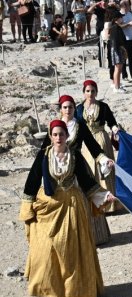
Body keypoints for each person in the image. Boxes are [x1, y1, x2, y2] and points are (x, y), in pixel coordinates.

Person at [19, 119, 115, 297]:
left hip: (72, 205)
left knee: (72, 250)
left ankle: (74, 292)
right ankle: (51, 290)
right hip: (49, 206)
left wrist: (103, 196)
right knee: (46, 248)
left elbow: (87, 182)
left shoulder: (75, 156)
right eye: (54, 135)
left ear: (67, 136)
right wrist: (27, 206)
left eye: (61, 134)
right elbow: (32, 181)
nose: (58, 138)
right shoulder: (43, 156)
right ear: (50, 136)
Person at [40, 95, 115, 244]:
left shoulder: (80, 125)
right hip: (58, 170)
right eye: (65, 107)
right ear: (61, 109)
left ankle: (92, 236)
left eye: (71, 107)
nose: (68, 110)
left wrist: (104, 159)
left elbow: (92, 145)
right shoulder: (55, 127)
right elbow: (44, 150)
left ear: (75, 108)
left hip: (78, 167)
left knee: (85, 198)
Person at [76, 80, 122, 213]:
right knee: (89, 170)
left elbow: (112, 122)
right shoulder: (79, 109)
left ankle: (109, 205)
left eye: (93, 91)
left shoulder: (103, 106)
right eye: (87, 91)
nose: (90, 94)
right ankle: (94, 204)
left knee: (105, 170)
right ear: (84, 93)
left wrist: (115, 129)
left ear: (97, 92)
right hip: (86, 142)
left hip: (101, 138)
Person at [107, 9, 127, 93]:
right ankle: (117, 87)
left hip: (117, 49)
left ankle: (117, 85)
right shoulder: (115, 27)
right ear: (116, 19)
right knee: (118, 69)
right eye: (120, 18)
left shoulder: (116, 27)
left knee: (117, 69)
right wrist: (122, 50)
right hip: (117, 49)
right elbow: (115, 41)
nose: (122, 19)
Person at [119, 1, 132, 81]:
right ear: (122, 6)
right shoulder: (119, 15)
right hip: (124, 39)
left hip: (131, 38)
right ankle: (124, 76)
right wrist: (128, 24)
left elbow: (131, 23)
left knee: (131, 58)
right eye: (126, 5)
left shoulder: (129, 13)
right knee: (124, 58)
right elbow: (119, 26)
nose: (128, 6)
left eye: (128, 4)